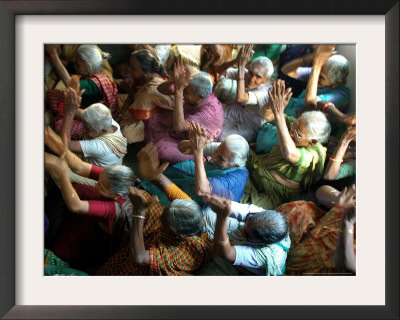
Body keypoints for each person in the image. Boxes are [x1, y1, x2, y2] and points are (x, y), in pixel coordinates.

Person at [97, 142, 213, 276]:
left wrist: (138, 213)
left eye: (163, 222)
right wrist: (153, 173)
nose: (159, 217)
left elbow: (139, 257)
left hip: (141, 268)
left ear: (177, 235)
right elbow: (167, 187)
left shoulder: (183, 253)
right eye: (164, 211)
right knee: (148, 202)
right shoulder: (190, 210)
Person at [242, 80, 331, 210]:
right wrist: (272, 104)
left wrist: (279, 114)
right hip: (257, 166)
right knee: (234, 146)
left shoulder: (314, 155)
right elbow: (265, 114)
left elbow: (290, 154)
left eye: (297, 134)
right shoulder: (298, 126)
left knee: (236, 197)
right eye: (292, 127)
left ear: (313, 142)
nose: (291, 133)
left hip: (270, 191)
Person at [256, 45, 351, 154]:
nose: (316, 76)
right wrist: (311, 58)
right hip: (287, 115)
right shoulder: (319, 73)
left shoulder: (341, 94)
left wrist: (316, 66)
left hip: (299, 128)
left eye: (321, 77)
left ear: (336, 83)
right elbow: (286, 70)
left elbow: (310, 102)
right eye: (318, 71)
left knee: (267, 142)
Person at [141, 122, 249, 205]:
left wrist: (198, 151)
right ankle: (148, 185)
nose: (214, 158)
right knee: (177, 168)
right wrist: (193, 143)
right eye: (216, 152)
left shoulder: (235, 179)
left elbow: (202, 191)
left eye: (221, 159)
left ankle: (152, 192)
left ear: (235, 165)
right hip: (203, 178)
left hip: (208, 199)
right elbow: (181, 148)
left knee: (180, 203)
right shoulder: (223, 149)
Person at [145, 56, 224, 163]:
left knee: (161, 149)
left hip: (193, 145)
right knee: (153, 119)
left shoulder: (210, 111)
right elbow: (161, 90)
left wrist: (178, 90)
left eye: (186, 92)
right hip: (184, 125)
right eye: (184, 89)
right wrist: (174, 80)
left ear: (200, 97)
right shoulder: (195, 91)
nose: (183, 94)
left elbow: (179, 126)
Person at [198, 194, 290, 276]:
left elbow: (227, 253)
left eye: (246, 233)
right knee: (208, 213)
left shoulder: (265, 255)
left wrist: (222, 217)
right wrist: (215, 200)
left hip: (242, 270)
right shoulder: (262, 217)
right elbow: (231, 207)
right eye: (246, 222)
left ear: (265, 244)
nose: (241, 229)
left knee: (208, 270)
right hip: (248, 235)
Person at [275, 184, 356, 275]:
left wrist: (347, 223)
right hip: (314, 225)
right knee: (298, 210)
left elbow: (347, 266)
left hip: (319, 262)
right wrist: (336, 198)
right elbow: (320, 191)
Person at [45, 44, 118, 139]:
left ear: (90, 67)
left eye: (78, 65)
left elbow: (70, 84)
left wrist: (54, 55)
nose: (75, 67)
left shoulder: (93, 84)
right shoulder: (92, 71)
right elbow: (69, 65)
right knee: (52, 93)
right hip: (84, 108)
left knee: (60, 125)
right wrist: (51, 59)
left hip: (93, 120)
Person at [217, 44, 274, 143]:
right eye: (251, 73)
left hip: (247, 125)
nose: (252, 78)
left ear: (266, 80)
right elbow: (219, 71)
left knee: (222, 139)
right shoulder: (246, 73)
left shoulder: (266, 91)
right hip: (232, 111)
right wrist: (236, 61)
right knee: (207, 119)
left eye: (258, 76)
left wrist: (241, 66)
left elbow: (241, 98)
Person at [116, 49, 175, 143]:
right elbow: (132, 97)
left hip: (157, 117)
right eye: (129, 64)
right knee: (116, 100)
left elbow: (137, 112)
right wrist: (120, 114)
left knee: (126, 133)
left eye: (133, 68)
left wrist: (120, 120)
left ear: (145, 72)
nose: (128, 69)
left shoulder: (152, 88)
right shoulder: (141, 77)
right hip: (143, 108)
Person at [61, 88, 127, 169]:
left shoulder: (99, 146)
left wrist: (68, 113)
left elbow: (67, 145)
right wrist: (71, 104)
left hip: (100, 175)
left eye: (88, 129)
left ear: (103, 131)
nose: (83, 130)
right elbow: (76, 113)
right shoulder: (108, 121)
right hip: (111, 162)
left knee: (58, 170)